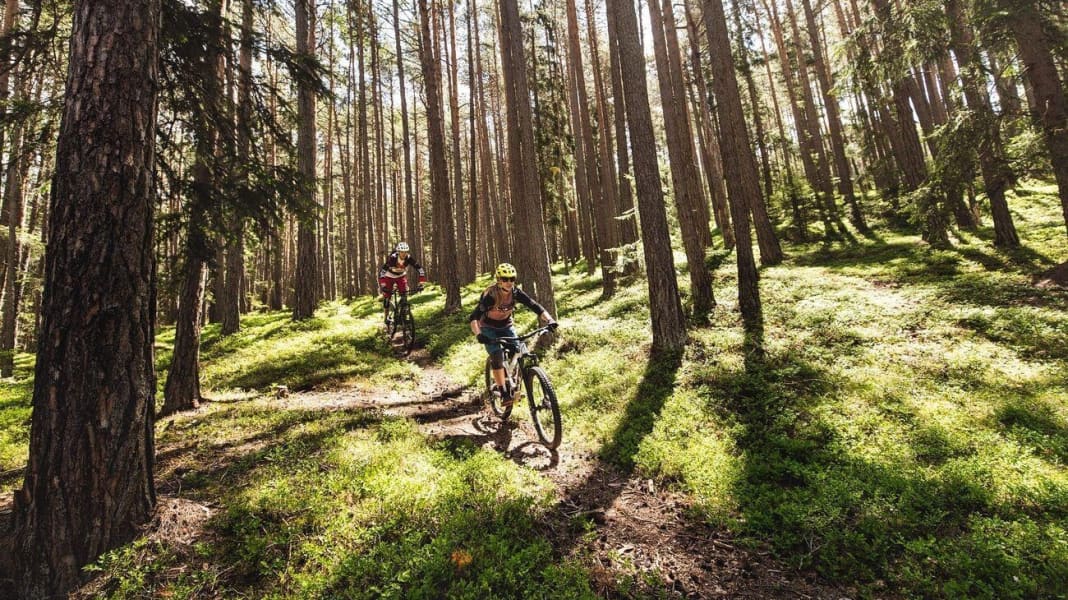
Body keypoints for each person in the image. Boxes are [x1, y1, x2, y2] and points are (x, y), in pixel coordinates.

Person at [469, 263, 557, 406]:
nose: (509, 282)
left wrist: (550, 320)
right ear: (499, 279)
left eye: (512, 279)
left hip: (506, 326)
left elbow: (534, 306)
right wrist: (479, 334)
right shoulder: (491, 296)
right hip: (488, 328)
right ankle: (503, 392)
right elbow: (473, 317)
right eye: (505, 279)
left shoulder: (516, 292)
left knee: (517, 352)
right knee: (496, 356)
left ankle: (512, 381)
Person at [379, 242, 426, 324]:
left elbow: (420, 270)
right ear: (398, 252)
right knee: (387, 297)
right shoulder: (393, 258)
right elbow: (382, 272)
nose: (404, 254)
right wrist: (383, 285)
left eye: (405, 252)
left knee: (404, 295)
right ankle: (386, 318)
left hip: (400, 276)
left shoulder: (408, 258)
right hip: (389, 276)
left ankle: (404, 316)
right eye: (401, 252)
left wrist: (421, 283)